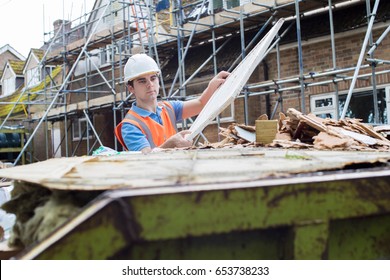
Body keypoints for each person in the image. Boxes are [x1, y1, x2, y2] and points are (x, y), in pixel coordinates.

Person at [115, 53, 229, 153]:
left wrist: (212, 86)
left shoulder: (169, 108)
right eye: (142, 81)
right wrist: (171, 144)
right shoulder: (130, 125)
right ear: (131, 88)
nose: (150, 84)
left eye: (153, 78)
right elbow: (145, 159)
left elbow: (200, 104)